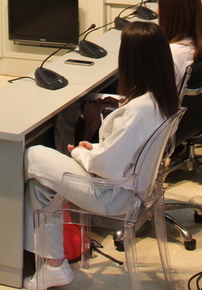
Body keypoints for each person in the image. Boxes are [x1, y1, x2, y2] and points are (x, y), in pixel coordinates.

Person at [23, 21, 180, 289]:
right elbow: (122, 153)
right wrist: (93, 148)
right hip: (134, 188)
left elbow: (105, 167)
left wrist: (79, 154)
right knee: (40, 186)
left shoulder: (138, 111)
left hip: (112, 195)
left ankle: (16, 249)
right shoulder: (164, 99)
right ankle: (53, 266)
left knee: (32, 154)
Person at [156, 0, 202, 88]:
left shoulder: (170, 53)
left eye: (160, 7)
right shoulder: (199, 43)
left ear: (170, 14)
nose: (156, 11)